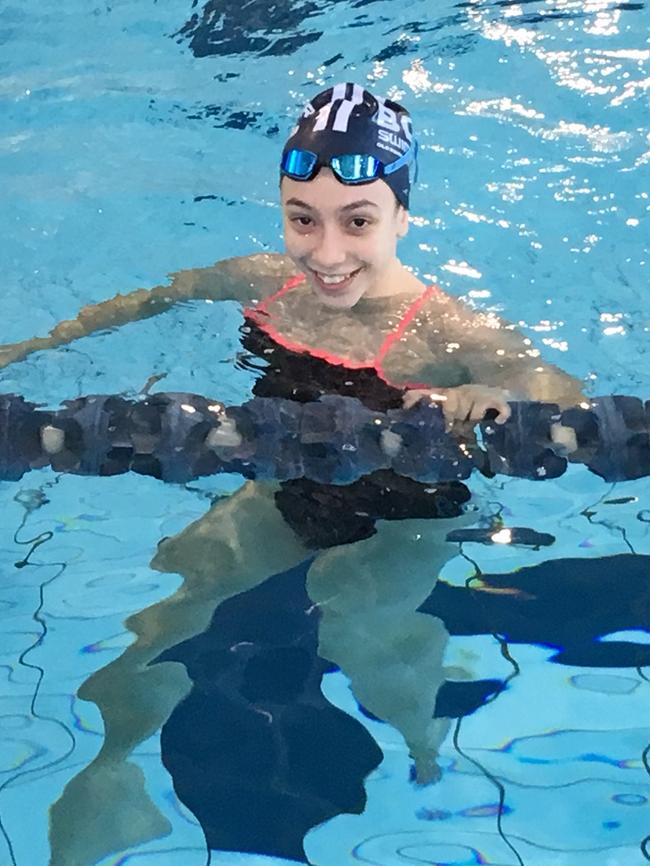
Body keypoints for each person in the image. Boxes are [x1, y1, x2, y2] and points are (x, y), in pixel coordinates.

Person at [3, 83, 586, 864]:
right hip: (284, 491)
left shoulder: (447, 326)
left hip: (405, 515)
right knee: (158, 615)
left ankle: (423, 749)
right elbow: (146, 300)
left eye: (359, 222)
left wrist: (487, 396)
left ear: (403, 217)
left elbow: (559, 393)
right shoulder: (264, 280)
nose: (327, 252)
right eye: (301, 218)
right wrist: (22, 353)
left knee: (363, 630)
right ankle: (110, 773)